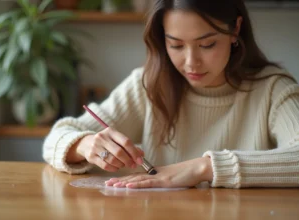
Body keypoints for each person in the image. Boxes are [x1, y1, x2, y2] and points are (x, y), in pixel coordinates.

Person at [43, 0, 299, 189]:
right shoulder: (148, 84)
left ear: (235, 31)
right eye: (175, 45)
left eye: (207, 44)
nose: (191, 63)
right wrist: (85, 145)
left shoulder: (273, 90)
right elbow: (57, 136)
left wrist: (203, 168)